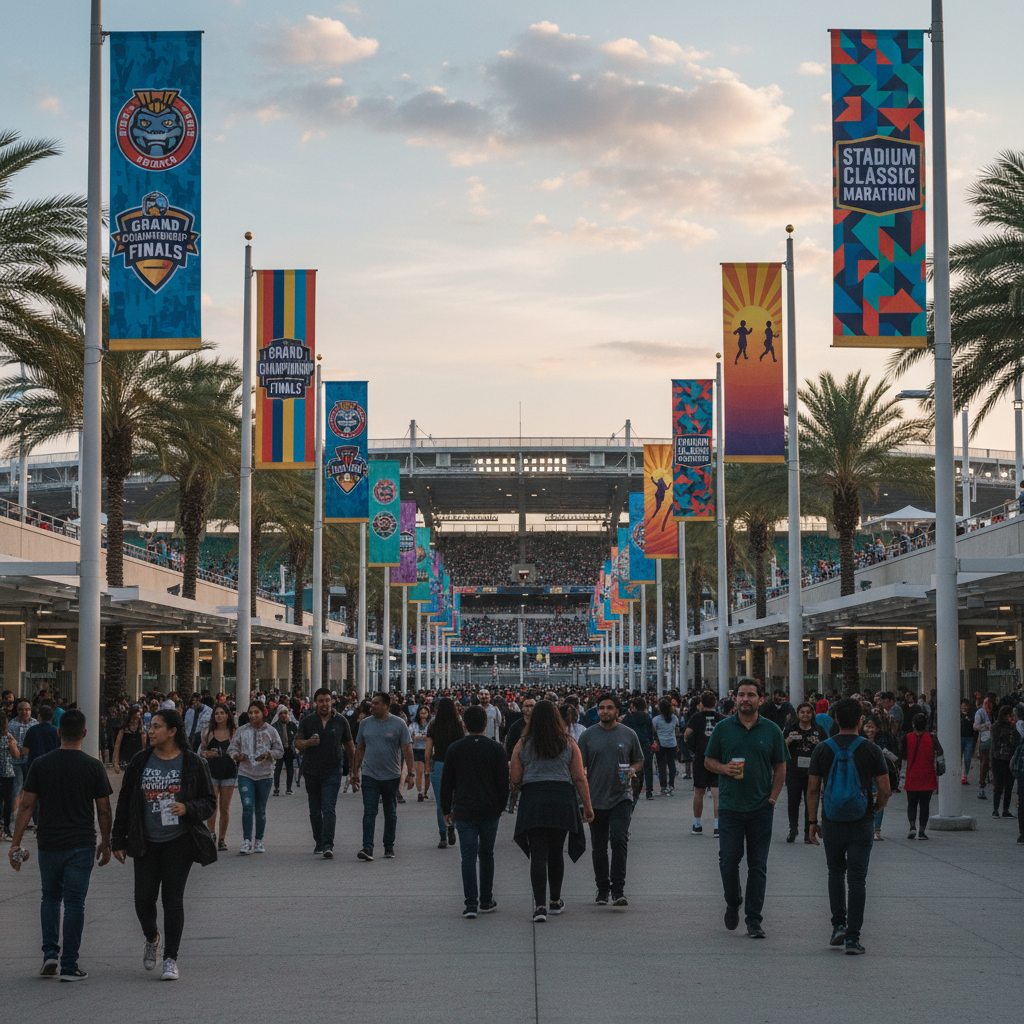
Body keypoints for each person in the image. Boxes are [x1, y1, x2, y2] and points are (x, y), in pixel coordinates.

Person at [111, 708, 216, 982]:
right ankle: (151, 937)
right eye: (150, 726)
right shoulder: (140, 760)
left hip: (178, 842)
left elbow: (209, 802)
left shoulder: (193, 763)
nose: (151, 731)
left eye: (157, 726)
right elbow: (125, 802)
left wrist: (187, 807)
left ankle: (170, 958)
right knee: (143, 899)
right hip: (145, 841)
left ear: (172, 731)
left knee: (173, 900)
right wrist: (117, 840)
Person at [8, 710, 111, 981]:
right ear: (85, 734)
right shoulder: (94, 766)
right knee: (75, 903)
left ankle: (49, 954)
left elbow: (27, 805)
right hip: (81, 844)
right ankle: (69, 965)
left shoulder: (41, 764)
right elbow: (103, 811)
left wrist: (15, 844)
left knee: (50, 897)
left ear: (58, 732)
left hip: (49, 843)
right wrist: (107, 842)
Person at [704, 678, 789, 938]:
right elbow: (708, 760)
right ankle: (733, 901)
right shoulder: (723, 728)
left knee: (758, 865)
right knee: (728, 860)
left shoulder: (772, 729)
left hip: (761, 807)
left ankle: (754, 919)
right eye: (741, 694)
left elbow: (781, 768)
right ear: (735, 698)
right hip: (729, 806)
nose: (745, 699)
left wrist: (772, 799)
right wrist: (723, 768)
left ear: (760, 700)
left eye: (751, 695)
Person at [806, 698, 890, 955]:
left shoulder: (822, 748)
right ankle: (853, 938)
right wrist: (873, 811)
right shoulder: (871, 749)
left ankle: (838, 926)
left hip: (832, 821)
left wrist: (812, 822)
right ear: (861, 721)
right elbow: (885, 789)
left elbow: (812, 789)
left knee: (834, 872)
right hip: (861, 821)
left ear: (836, 721)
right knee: (857, 879)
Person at [510, 700, 593, 923]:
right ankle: (555, 901)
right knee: (556, 851)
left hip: (534, 800)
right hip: (561, 799)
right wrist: (587, 806)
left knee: (538, 853)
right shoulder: (568, 742)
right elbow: (579, 777)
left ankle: (539, 906)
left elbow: (516, 778)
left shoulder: (523, 743)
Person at [439, 704, 510, 917]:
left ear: (464, 723)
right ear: (486, 723)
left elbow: (447, 783)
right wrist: (500, 806)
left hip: (464, 810)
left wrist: (446, 809)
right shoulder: (497, 748)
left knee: (467, 856)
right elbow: (503, 783)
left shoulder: (455, 748)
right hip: (489, 810)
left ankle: (470, 904)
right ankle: (486, 901)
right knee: (487, 854)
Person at [577, 693, 643, 907]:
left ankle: (618, 889)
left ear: (617, 711)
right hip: (595, 798)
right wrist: (582, 800)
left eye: (609, 708)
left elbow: (639, 760)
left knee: (618, 841)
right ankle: (602, 889)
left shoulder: (628, 734)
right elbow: (579, 768)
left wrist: (632, 770)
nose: (605, 711)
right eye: (601, 708)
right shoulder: (587, 736)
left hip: (621, 796)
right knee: (598, 847)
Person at [351, 692, 415, 861]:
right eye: (371, 703)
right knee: (369, 811)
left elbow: (407, 749)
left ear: (387, 706)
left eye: (376, 703)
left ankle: (389, 846)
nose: (371, 706)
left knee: (390, 812)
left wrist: (411, 773)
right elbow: (359, 749)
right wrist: (354, 772)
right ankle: (367, 848)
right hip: (369, 775)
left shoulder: (399, 724)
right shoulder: (365, 724)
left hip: (391, 776)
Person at [294, 687, 355, 858]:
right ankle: (319, 841)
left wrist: (354, 770)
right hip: (311, 770)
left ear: (332, 701)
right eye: (321, 701)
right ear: (315, 703)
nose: (324, 704)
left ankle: (328, 844)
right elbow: (297, 743)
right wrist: (307, 743)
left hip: (333, 770)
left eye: (327, 700)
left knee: (328, 807)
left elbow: (350, 746)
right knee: (315, 810)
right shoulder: (307, 721)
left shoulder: (341, 721)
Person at [228, 701, 284, 855]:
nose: (253, 715)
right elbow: (231, 748)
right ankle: (247, 841)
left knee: (260, 810)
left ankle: (259, 840)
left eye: (256, 712)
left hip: (265, 776)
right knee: (247, 807)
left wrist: (268, 754)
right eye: (250, 712)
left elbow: (280, 750)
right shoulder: (241, 731)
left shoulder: (270, 731)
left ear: (263, 712)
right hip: (246, 774)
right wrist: (237, 756)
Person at [782, 702, 827, 844]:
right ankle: (793, 829)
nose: (805, 715)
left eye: (808, 712)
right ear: (798, 713)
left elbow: (826, 749)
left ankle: (809, 832)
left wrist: (817, 743)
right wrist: (789, 739)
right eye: (802, 712)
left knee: (810, 803)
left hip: (812, 773)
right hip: (793, 771)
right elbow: (780, 747)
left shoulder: (818, 730)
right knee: (793, 802)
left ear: (812, 714)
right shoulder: (791, 728)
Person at [425, 697, 465, 848]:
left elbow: (428, 750)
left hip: (439, 764)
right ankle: (452, 826)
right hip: (455, 765)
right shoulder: (458, 723)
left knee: (441, 803)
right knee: (454, 800)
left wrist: (428, 768)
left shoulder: (433, 724)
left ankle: (442, 835)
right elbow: (462, 746)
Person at [684, 693, 724, 835]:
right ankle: (717, 826)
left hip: (700, 758)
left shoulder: (696, 717)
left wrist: (693, 748)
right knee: (717, 792)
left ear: (701, 703)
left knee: (698, 792)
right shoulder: (721, 718)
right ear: (715, 703)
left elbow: (687, 734)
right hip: (717, 759)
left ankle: (697, 824)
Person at [200, 703, 237, 852]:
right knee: (212, 806)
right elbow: (201, 752)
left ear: (227, 715)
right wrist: (207, 754)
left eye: (222, 713)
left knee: (225, 807)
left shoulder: (234, 731)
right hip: (212, 773)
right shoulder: (209, 732)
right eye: (217, 713)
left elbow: (240, 749)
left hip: (229, 772)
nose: (219, 716)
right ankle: (211, 834)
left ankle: (222, 839)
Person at [901, 713, 942, 840]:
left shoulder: (906, 738)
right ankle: (922, 831)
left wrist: (901, 776)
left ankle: (912, 827)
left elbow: (902, 757)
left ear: (913, 724)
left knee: (911, 804)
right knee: (925, 805)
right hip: (927, 776)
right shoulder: (932, 738)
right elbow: (940, 753)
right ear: (926, 724)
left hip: (912, 775)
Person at [861, 718, 898, 840]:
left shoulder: (883, 742)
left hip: (878, 775)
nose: (870, 730)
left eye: (872, 727)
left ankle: (876, 829)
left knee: (878, 798)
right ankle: (867, 828)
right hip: (864, 775)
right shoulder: (860, 742)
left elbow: (894, 758)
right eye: (867, 726)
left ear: (877, 729)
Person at [621, 696, 655, 804]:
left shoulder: (628, 717)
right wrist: (650, 742)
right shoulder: (646, 716)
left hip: (632, 745)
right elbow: (650, 731)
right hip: (644, 743)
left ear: (634, 706)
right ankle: (649, 791)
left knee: (635, 768)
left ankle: (635, 791)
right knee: (648, 768)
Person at [990, 706, 1019, 818]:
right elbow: (995, 744)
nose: (1012, 717)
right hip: (999, 759)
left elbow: (1016, 742)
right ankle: (995, 809)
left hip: (1010, 759)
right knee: (998, 786)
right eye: (1010, 715)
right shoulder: (996, 727)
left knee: (1009, 786)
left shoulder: (1014, 727)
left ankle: (1005, 810)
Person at [10, 698, 35, 818]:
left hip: (31, 762)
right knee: (17, 787)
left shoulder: (35, 724)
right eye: (21, 709)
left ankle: (29, 815)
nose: (24, 712)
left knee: (31, 789)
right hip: (16, 762)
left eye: (27, 709)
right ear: (17, 710)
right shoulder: (11, 725)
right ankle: (12, 815)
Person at [652, 698, 679, 796]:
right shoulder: (674, 718)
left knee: (662, 765)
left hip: (661, 744)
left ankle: (663, 786)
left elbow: (654, 731)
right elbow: (677, 728)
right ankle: (671, 784)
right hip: (672, 743)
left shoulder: (656, 719)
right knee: (671, 764)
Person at [271, 705, 297, 796]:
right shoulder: (275, 726)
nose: (283, 715)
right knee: (277, 769)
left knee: (290, 769)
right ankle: (276, 788)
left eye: (285, 713)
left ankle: (289, 788)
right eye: (281, 713)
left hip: (289, 750)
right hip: (278, 750)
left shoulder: (292, 725)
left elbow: (297, 737)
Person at [113, 706, 146, 773]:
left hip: (138, 761)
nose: (134, 721)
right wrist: (115, 763)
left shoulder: (142, 733)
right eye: (133, 719)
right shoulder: (123, 731)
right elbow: (117, 748)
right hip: (125, 761)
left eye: (137, 719)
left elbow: (144, 747)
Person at [1, 712, 18, 839]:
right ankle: (6, 828)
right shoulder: (8, 738)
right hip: (6, 773)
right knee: (7, 802)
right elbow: (16, 755)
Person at [410, 704, 431, 800]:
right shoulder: (413, 725)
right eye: (421, 713)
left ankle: (425, 791)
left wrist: (420, 737)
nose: (423, 715)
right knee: (419, 772)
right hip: (417, 749)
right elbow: (410, 736)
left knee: (427, 773)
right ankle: (419, 792)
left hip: (428, 749)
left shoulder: (431, 724)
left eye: (425, 713)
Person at [959, 699, 976, 785]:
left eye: (966, 705)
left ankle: (964, 775)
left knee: (967, 758)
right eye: (963, 705)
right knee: (958, 758)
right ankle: (959, 774)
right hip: (960, 738)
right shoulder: (958, 716)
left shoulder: (972, 716)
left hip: (969, 738)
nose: (964, 707)